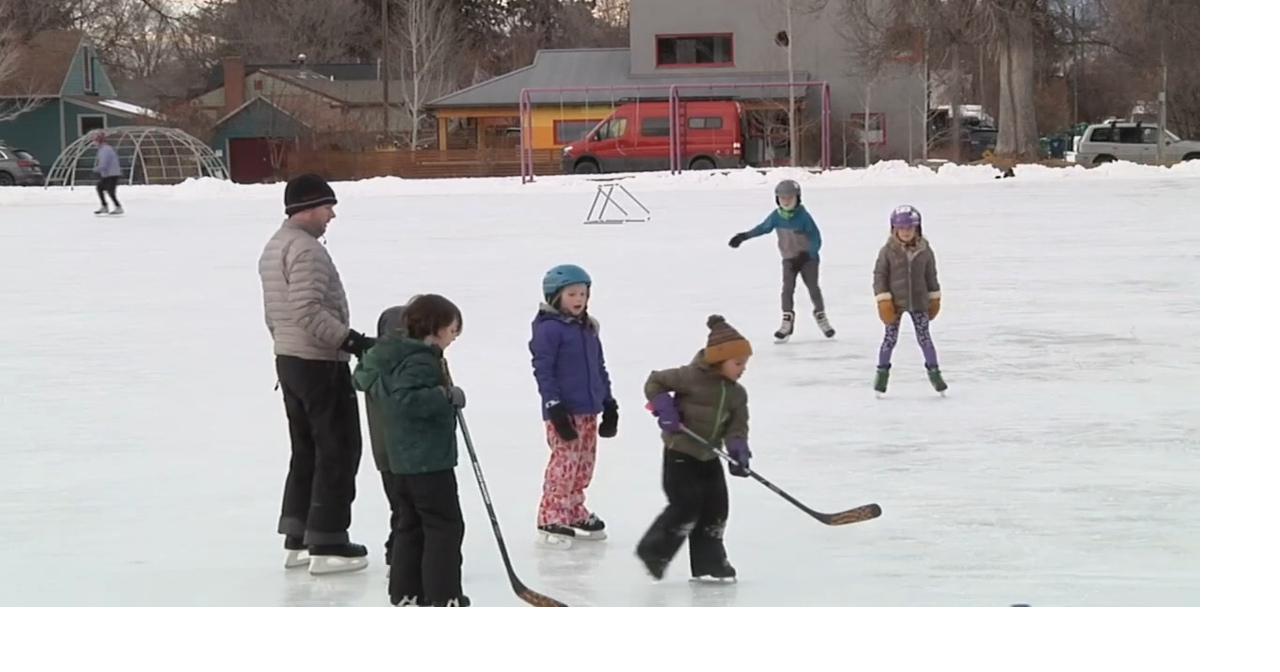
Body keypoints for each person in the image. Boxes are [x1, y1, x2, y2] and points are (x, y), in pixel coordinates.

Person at [258, 173, 376, 575]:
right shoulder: (306, 250)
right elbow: (307, 310)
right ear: (306, 208)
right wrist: (352, 341)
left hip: (289, 361)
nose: (332, 214)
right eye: (327, 206)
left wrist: (286, 348)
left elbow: (276, 314)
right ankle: (327, 540)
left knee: (306, 447)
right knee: (338, 448)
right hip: (318, 363)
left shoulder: (275, 246)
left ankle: (299, 534)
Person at [353, 294, 469, 607]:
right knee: (444, 526)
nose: (454, 338)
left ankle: (407, 594)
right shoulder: (419, 359)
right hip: (427, 460)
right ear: (437, 328)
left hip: (401, 460)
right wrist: (445, 396)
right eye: (453, 330)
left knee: (410, 525)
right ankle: (444, 596)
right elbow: (403, 402)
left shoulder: (392, 356)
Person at [636, 315, 752, 583]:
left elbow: (738, 426)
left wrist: (738, 449)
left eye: (744, 364)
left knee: (716, 509)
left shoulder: (737, 394)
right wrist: (664, 406)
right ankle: (653, 551)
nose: (742, 369)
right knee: (687, 505)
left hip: (709, 456)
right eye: (737, 363)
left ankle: (709, 563)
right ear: (718, 359)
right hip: (681, 453)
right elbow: (654, 381)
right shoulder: (689, 377)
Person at [529, 264, 618, 546]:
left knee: (584, 464)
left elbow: (599, 367)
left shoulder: (588, 328)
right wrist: (554, 407)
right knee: (564, 463)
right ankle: (550, 514)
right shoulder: (549, 330)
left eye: (583, 293)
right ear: (556, 296)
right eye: (572, 294)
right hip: (564, 411)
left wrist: (609, 402)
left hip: (589, 408)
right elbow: (544, 370)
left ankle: (573, 509)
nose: (579, 299)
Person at [727, 179, 834, 342]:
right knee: (787, 289)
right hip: (789, 259)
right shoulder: (776, 217)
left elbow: (816, 239)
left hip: (808, 260)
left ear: (797, 198)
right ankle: (787, 321)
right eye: (782, 198)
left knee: (813, 287)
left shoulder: (804, 217)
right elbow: (763, 228)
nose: (786, 201)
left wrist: (809, 252)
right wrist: (744, 236)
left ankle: (820, 315)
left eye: (789, 198)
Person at [363, 296, 421, 574]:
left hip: (385, 453)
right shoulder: (406, 366)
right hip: (407, 453)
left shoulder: (373, 363)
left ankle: (396, 552)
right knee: (408, 507)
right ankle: (399, 555)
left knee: (399, 504)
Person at [872, 205, 947, 395]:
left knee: (925, 339)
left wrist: (934, 297)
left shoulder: (925, 250)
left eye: (910, 228)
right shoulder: (887, 251)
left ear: (917, 229)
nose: (906, 232)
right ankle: (881, 377)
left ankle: (935, 375)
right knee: (890, 339)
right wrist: (883, 300)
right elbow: (879, 276)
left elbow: (931, 275)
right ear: (894, 230)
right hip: (895, 303)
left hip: (919, 301)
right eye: (902, 229)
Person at [92, 131, 123, 215]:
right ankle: (105, 206)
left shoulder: (105, 150)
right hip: (107, 174)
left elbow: (104, 163)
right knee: (100, 188)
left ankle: (118, 207)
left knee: (110, 190)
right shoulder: (103, 149)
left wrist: (97, 169)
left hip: (111, 174)